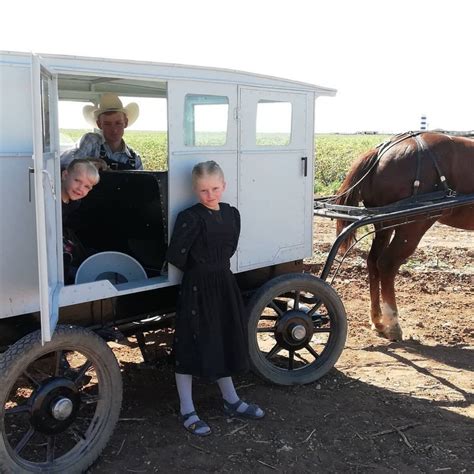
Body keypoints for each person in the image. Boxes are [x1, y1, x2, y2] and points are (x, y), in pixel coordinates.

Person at [166, 160, 265, 437]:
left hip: (224, 282)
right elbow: (176, 256)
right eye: (203, 191)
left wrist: (214, 269)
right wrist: (202, 271)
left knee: (222, 338)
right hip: (197, 287)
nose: (210, 195)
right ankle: (187, 408)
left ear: (224, 186)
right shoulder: (190, 217)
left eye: (214, 188)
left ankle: (231, 400)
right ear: (195, 191)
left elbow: (230, 247)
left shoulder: (232, 214)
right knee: (189, 343)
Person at [61, 93, 143, 170]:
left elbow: (142, 184)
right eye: (107, 124)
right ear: (99, 124)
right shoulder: (92, 141)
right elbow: (64, 163)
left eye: (118, 123)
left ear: (126, 123)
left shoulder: (135, 159)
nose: (114, 129)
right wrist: (93, 162)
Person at [61, 158, 101, 283]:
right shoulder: (52, 198)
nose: (80, 188)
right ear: (65, 175)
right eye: (77, 180)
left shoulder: (75, 203)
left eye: (87, 187)